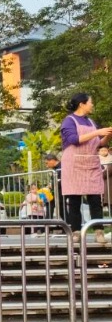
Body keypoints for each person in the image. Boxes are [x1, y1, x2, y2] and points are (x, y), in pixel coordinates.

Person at [59, 92, 111, 244]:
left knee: (95, 199)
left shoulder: (91, 121)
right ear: (82, 104)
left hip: (91, 163)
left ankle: (99, 232)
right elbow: (73, 139)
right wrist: (97, 132)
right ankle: (76, 232)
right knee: (74, 200)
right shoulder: (69, 121)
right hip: (74, 164)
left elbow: (99, 143)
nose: (92, 105)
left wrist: (108, 135)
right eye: (90, 102)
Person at [44, 153, 62, 220]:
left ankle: (47, 222)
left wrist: (53, 184)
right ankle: (47, 221)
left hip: (61, 191)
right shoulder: (55, 169)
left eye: (47, 163)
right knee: (49, 202)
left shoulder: (61, 167)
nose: (47, 166)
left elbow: (61, 180)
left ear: (52, 160)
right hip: (56, 191)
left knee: (61, 209)